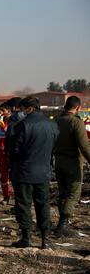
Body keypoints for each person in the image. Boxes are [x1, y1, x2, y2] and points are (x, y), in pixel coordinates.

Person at [7, 97, 58, 249]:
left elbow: (14, 150)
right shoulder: (52, 124)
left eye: (22, 109)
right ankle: (45, 239)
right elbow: (54, 147)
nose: (21, 112)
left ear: (29, 108)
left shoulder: (23, 125)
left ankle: (26, 237)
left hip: (24, 172)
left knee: (23, 204)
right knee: (43, 204)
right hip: (43, 172)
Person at [53, 96, 90, 237]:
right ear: (78, 108)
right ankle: (63, 225)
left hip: (59, 161)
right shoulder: (76, 122)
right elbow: (84, 146)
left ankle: (62, 223)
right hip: (72, 163)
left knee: (63, 193)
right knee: (74, 193)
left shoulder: (56, 121)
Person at [0, 102, 13, 203]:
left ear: (8, 111)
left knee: (14, 174)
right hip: (0, 151)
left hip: (10, 150)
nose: (1, 112)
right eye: (0, 110)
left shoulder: (13, 120)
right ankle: (6, 196)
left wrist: (0, 122)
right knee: (3, 174)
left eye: (3, 110)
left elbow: (7, 130)